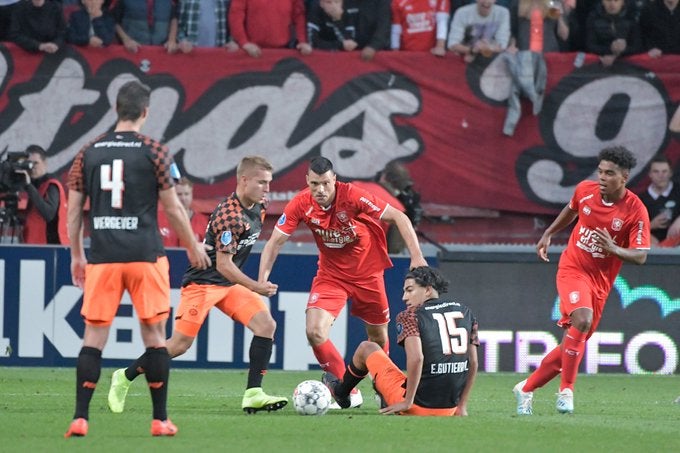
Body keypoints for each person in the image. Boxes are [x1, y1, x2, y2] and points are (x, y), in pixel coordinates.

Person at [64, 80, 211, 438]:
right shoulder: (155, 151)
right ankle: (160, 420)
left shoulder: (88, 151)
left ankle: (80, 418)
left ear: (116, 110)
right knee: (154, 337)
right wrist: (192, 244)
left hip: (103, 257)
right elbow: (174, 208)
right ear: (145, 112)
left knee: (94, 337)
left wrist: (77, 255)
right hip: (146, 256)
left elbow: (73, 211)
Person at [107, 156, 289, 415]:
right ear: (244, 180)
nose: (267, 188)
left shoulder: (259, 205)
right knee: (179, 345)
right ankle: (124, 377)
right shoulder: (229, 215)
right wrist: (256, 286)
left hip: (227, 285)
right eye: (262, 182)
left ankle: (253, 393)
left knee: (266, 325)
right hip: (203, 283)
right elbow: (224, 265)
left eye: (269, 182)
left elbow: (229, 268)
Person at [258, 156, 428, 408]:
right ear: (307, 181)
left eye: (325, 183)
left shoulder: (354, 196)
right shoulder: (301, 202)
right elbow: (274, 242)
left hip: (368, 275)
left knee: (377, 339)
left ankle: (383, 385)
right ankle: (339, 384)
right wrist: (262, 279)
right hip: (331, 275)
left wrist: (417, 256)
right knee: (314, 331)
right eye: (315, 183)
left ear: (334, 180)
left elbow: (400, 217)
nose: (320, 190)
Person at [513, 146, 650, 416]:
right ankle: (566, 391)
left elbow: (641, 256)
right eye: (600, 171)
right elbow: (571, 209)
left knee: (572, 344)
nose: (601, 177)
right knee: (582, 320)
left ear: (624, 177)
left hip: (601, 282)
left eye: (609, 173)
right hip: (573, 268)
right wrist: (549, 234)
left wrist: (615, 250)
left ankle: (526, 389)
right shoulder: (584, 190)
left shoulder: (636, 211)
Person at [324, 266, 479, 416]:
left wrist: (408, 401)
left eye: (409, 290)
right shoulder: (465, 311)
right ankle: (384, 397)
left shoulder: (410, 315)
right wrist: (462, 406)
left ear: (428, 289)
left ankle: (340, 392)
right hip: (449, 409)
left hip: (416, 406)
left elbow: (417, 358)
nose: (404, 297)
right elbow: (473, 362)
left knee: (367, 347)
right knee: (404, 376)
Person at [17, 145, 68, 245]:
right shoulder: (34, 185)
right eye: (29, 164)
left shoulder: (51, 184)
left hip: (51, 245)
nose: (32, 167)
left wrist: (28, 186)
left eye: (36, 163)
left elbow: (49, 214)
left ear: (45, 163)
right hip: (36, 243)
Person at [228, 0, 311, 58]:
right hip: (251, 52)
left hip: (283, 51)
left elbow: (299, 16)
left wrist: (302, 41)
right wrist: (244, 43)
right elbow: (236, 15)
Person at [637, 155, 680, 245]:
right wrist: (651, 225)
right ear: (650, 175)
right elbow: (630, 229)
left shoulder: (678, 190)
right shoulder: (640, 199)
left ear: (671, 173)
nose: (661, 175)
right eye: (656, 172)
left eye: (664, 171)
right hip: (653, 249)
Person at [585, 0, 642, 67]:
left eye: (616, 1)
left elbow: (638, 46)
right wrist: (610, 50)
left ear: (622, 2)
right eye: (608, 1)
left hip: (626, 63)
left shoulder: (631, 18)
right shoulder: (593, 19)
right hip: (599, 63)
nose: (612, 4)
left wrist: (622, 50)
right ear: (602, 2)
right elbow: (590, 45)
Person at [157, 177, 209, 247]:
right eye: (179, 194)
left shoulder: (203, 221)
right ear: (172, 195)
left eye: (186, 194)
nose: (183, 198)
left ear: (191, 194)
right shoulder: (158, 218)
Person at [112, 0, 179, 53]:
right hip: (134, 49)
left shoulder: (169, 1)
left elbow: (174, 18)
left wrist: (172, 40)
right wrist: (126, 40)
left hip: (162, 51)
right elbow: (113, 20)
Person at [174, 0, 239, 53]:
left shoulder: (225, 1)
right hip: (192, 53)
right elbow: (179, 25)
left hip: (219, 53)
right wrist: (183, 40)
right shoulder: (185, 1)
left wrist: (232, 41)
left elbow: (232, 24)